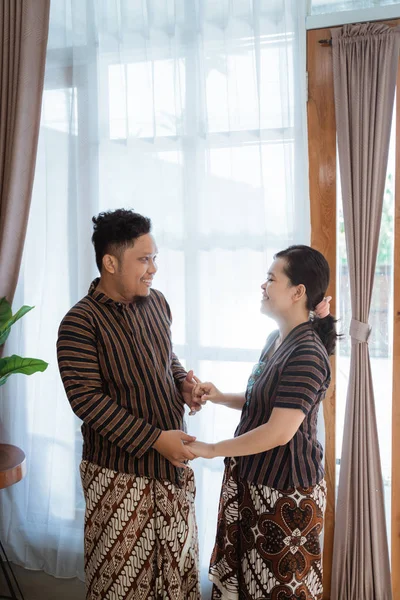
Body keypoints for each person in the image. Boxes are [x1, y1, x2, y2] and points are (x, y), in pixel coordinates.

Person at [57, 209, 201, 600]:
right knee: (120, 587)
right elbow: (87, 402)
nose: (154, 268)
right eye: (144, 259)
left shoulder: (157, 304)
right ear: (110, 262)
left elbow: (166, 359)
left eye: (154, 258)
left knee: (175, 582)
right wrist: (155, 439)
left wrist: (183, 386)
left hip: (172, 471)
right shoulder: (79, 323)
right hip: (117, 477)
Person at [189, 245, 338, 600]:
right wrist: (220, 395)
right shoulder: (276, 340)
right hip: (256, 486)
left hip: (286, 497)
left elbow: (278, 431)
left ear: (297, 292)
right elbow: (263, 402)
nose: (263, 285)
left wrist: (209, 449)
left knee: (279, 591)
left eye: (272, 278)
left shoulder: (308, 352)